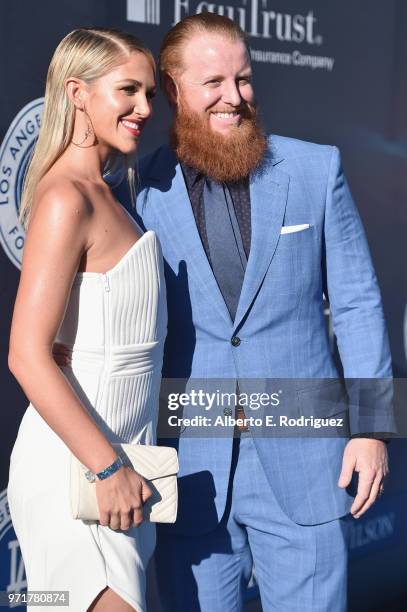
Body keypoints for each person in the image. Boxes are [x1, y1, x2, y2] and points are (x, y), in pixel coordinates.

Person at [55, 13, 395, 612]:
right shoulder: (137, 187)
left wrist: (369, 430)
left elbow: (359, 302)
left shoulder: (316, 170)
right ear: (176, 89)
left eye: (243, 79)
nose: (233, 98)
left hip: (305, 455)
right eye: (213, 83)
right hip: (190, 465)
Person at [7, 28, 167, 612]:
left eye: (150, 93)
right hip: (80, 473)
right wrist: (106, 468)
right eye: (127, 90)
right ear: (77, 92)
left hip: (121, 473)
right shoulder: (66, 198)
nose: (144, 109)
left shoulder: (108, 194)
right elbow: (26, 354)